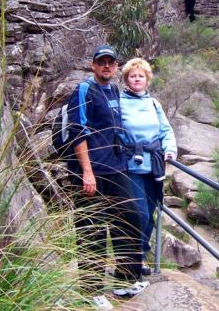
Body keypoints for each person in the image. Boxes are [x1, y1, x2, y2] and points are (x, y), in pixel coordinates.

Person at [65, 45, 149, 300]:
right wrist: (87, 173)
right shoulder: (84, 90)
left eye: (110, 63)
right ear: (93, 65)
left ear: (115, 66)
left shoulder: (113, 89)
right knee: (93, 231)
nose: (106, 66)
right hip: (91, 172)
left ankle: (125, 280)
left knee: (131, 219)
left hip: (115, 168)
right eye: (101, 62)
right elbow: (77, 131)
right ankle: (90, 293)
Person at [120, 58, 177, 274]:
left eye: (140, 76)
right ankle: (130, 260)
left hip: (153, 166)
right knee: (139, 214)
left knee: (150, 214)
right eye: (133, 76)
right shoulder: (119, 101)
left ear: (147, 79)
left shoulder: (154, 104)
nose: (137, 79)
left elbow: (165, 130)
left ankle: (140, 257)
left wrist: (170, 149)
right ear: (127, 79)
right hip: (130, 165)